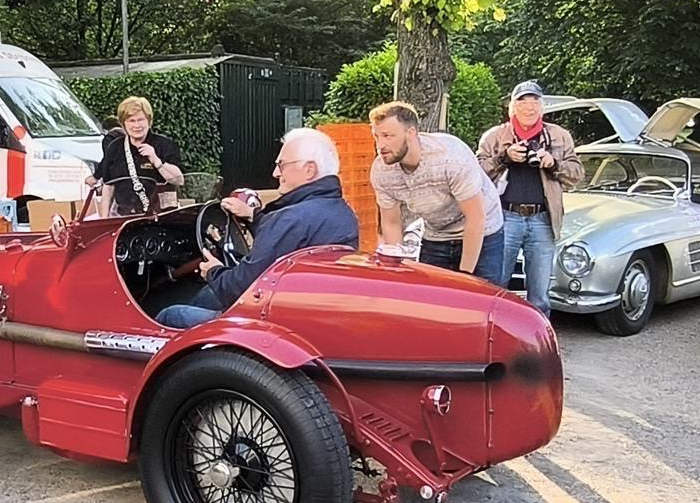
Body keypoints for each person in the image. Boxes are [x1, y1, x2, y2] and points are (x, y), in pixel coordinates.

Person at [155, 128, 359, 328]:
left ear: (309, 170)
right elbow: (288, 238)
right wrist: (253, 217)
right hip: (309, 314)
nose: (275, 172)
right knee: (209, 294)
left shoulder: (290, 219)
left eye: (282, 165)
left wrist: (213, 271)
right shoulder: (343, 213)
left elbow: (239, 288)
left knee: (170, 314)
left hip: (265, 321)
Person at [368, 101, 507, 286]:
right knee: (432, 299)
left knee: (477, 297)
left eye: (388, 136)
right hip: (436, 233)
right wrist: (395, 268)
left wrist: (464, 277)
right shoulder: (382, 170)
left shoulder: (451, 157)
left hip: (483, 231)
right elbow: (392, 222)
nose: (381, 145)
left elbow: (476, 218)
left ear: (411, 133)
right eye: (376, 136)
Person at [477, 80, 583, 317]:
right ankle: (495, 335)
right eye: (522, 101)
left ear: (542, 107)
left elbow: (577, 175)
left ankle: (537, 344)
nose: (529, 107)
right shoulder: (494, 137)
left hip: (543, 220)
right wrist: (504, 158)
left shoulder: (559, 136)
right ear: (511, 107)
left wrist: (552, 163)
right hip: (504, 218)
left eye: (535, 101)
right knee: (496, 285)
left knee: (540, 294)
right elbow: (476, 174)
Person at [95, 97, 184, 216]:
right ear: (123, 124)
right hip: (124, 217)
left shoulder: (164, 145)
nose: (137, 125)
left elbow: (179, 180)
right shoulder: (115, 148)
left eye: (141, 120)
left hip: (160, 216)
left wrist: (156, 160)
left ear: (149, 121)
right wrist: (104, 222)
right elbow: (108, 188)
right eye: (131, 121)